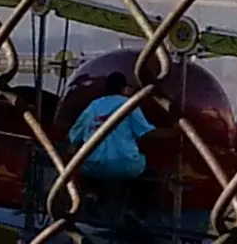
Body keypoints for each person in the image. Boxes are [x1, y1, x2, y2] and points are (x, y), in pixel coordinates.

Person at [68, 71, 173, 215]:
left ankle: (91, 196)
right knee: (150, 176)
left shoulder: (93, 106)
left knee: (86, 169)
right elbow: (148, 133)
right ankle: (135, 211)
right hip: (124, 165)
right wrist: (175, 132)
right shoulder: (129, 105)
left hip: (93, 165)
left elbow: (74, 135)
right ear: (124, 88)